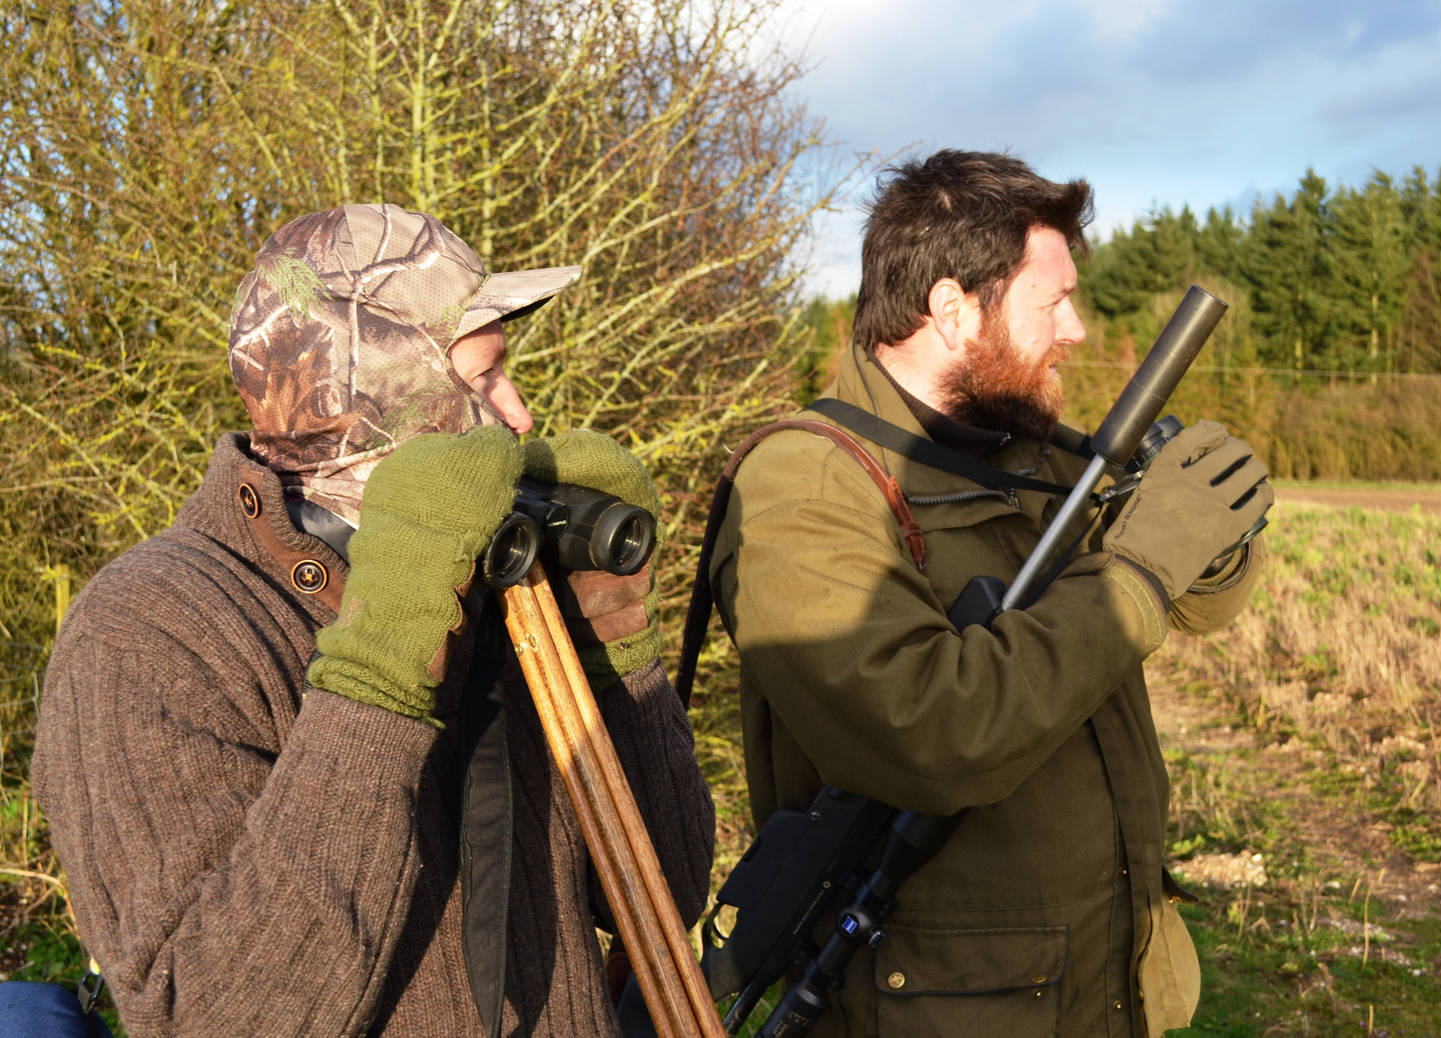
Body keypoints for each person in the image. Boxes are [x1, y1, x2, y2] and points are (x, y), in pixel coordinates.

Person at [33, 203, 715, 1037]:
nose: (522, 415)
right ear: (388, 396)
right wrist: (381, 664)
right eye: (483, 378)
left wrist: (615, 640)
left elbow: (664, 892)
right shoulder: (150, 629)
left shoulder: (499, 579)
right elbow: (211, 1016)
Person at [708, 151, 1272, 1037]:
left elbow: (1196, 609)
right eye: (1053, 302)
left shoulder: (1028, 453)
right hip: (944, 1002)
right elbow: (930, 733)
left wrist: (1217, 528)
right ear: (952, 308)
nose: (1078, 328)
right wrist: (1143, 566)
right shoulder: (806, 484)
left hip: (1102, 975)